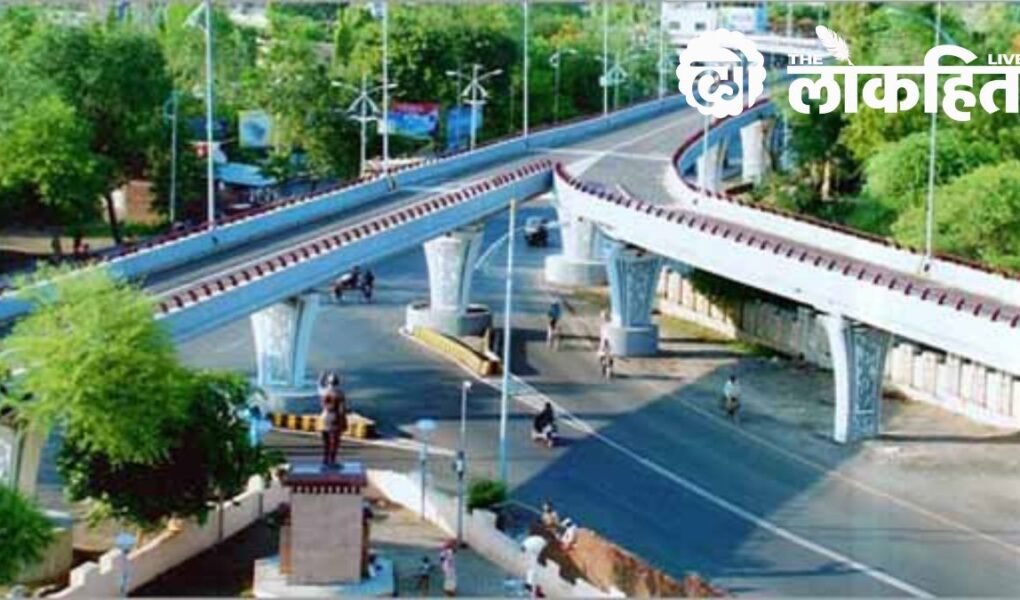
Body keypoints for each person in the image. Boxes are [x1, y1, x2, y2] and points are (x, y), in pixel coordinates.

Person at [317, 371, 347, 467]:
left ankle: (325, 460)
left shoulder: (323, 391)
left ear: (328, 382)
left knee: (326, 442)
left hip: (323, 417)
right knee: (335, 442)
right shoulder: (339, 393)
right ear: (337, 382)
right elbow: (342, 409)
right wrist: (344, 422)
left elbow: (318, 384)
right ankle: (332, 461)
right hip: (334, 418)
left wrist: (322, 376)